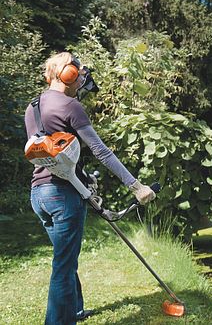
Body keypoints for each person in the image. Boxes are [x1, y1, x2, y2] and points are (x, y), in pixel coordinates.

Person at [24, 52, 156, 324]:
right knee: (64, 265)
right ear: (68, 74)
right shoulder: (70, 106)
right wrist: (135, 185)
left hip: (39, 194)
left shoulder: (33, 106)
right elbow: (101, 152)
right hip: (63, 196)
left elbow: (51, 154)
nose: (81, 80)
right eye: (78, 74)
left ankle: (75, 310)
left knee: (65, 257)